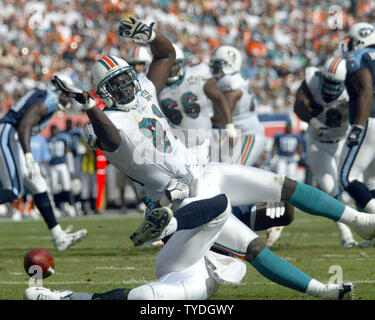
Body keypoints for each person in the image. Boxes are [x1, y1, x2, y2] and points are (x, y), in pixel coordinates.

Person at [26, 16, 375, 300]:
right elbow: (112, 139)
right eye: (116, 84)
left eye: (127, 78)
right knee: (250, 245)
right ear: (102, 94)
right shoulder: (104, 122)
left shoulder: (145, 91)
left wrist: (151, 35)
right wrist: (89, 108)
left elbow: (165, 56)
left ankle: (359, 220)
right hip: (180, 197)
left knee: (282, 185)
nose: (128, 87)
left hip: (204, 171)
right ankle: (171, 225)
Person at [0, 81, 87, 251]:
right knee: (13, 190)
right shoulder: (50, 98)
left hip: (12, 136)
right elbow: (25, 124)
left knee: (39, 185)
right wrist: (28, 155)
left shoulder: (45, 95)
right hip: (8, 133)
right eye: (67, 94)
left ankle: (58, 235)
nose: (68, 100)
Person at [294, 56, 358, 248]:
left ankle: (369, 227)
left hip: (344, 142)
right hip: (318, 142)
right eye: (327, 81)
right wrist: (314, 123)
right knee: (330, 189)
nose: (329, 87)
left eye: (334, 83)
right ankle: (346, 234)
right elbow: (299, 105)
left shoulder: (354, 87)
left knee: (358, 186)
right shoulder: (312, 80)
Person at [158, 43, 234, 164]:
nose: (171, 70)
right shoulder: (157, 87)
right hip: (180, 144)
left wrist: (230, 125)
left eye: (174, 65)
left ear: (181, 63)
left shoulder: (197, 74)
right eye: (168, 66)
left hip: (205, 139)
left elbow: (218, 97)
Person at [210, 45, 265, 166]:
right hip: (235, 136)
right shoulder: (235, 80)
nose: (213, 67)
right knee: (218, 173)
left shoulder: (229, 82)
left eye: (217, 64)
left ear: (229, 65)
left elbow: (222, 117)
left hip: (247, 135)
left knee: (231, 173)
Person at [265, 121, 304, 246]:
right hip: (282, 158)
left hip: (291, 158)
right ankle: (280, 200)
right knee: (281, 180)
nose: (288, 128)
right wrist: (272, 157)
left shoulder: (296, 136)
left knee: (292, 180)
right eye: (287, 126)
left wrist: (299, 155)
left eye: (290, 126)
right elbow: (275, 146)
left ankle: (291, 201)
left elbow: (299, 146)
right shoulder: (279, 135)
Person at [47, 124, 76, 217]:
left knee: (66, 185)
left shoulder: (62, 139)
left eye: (55, 130)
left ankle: (71, 206)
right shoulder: (47, 140)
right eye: (52, 130)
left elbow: (67, 150)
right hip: (52, 165)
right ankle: (58, 207)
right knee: (54, 187)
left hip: (62, 164)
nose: (53, 132)